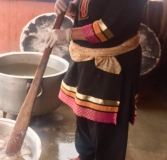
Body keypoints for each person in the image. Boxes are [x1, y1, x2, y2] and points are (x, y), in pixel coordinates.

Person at [45, 0, 148, 159]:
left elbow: (108, 28)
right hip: (87, 58)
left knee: (105, 120)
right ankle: (86, 156)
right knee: (85, 111)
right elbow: (91, 12)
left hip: (113, 63)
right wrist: (71, 9)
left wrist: (68, 34)